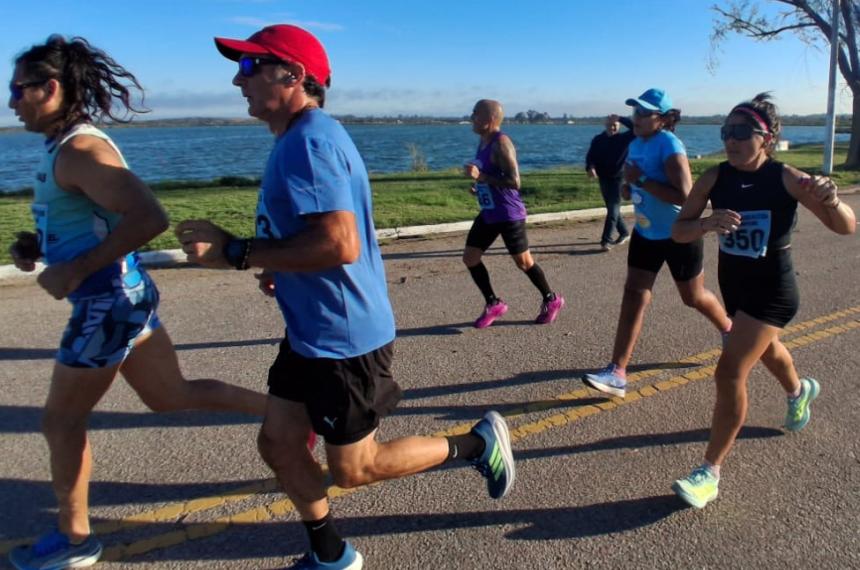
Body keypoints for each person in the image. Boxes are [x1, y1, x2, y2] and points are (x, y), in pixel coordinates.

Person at [175, 25, 515, 569]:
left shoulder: (309, 142)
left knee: (355, 468)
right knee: (279, 443)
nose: (238, 79)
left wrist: (239, 251)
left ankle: (476, 444)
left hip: (343, 337)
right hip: (312, 331)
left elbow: (339, 243)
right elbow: (314, 237)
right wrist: (278, 264)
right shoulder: (301, 138)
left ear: (294, 75)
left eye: (250, 66)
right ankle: (330, 554)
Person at [6, 35, 269, 570]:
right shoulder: (65, 148)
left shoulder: (81, 152)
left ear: (50, 88)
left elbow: (149, 216)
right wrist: (41, 246)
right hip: (123, 298)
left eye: (17, 90)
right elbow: (92, 218)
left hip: (105, 304)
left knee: (61, 422)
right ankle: (293, 414)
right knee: (172, 395)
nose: (11, 102)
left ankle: (75, 539)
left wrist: (76, 269)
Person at [670, 93, 855, 509]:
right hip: (736, 289)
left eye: (741, 132)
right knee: (767, 349)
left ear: (766, 138)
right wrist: (706, 224)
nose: (731, 140)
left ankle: (709, 473)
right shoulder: (715, 177)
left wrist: (832, 200)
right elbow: (679, 231)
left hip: (774, 292)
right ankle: (798, 391)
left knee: (730, 370)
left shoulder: (787, 178)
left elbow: (846, 227)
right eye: (726, 131)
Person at [582, 88, 732, 398]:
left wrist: (640, 181)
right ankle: (617, 372)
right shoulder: (636, 143)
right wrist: (629, 188)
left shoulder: (669, 145)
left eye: (643, 113)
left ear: (662, 119)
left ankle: (729, 330)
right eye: (634, 111)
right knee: (634, 294)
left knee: (693, 297)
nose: (635, 117)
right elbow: (637, 181)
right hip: (646, 233)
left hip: (679, 234)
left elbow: (686, 196)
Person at [462, 99, 565, 328]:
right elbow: (492, 174)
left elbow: (514, 182)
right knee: (470, 258)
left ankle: (552, 299)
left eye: (476, 114)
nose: (472, 118)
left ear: (489, 119)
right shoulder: (483, 141)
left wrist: (481, 177)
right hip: (489, 212)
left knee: (524, 263)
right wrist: (479, 186)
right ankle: (493, 303)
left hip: (509, 214)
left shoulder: (502, 143)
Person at [585, 114, 636, 250]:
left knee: (613, 208)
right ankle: (624, 232)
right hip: (603, 177)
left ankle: (606, 240)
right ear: (605, 125)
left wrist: (620, 118)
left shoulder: (624, 138)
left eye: (615, 125)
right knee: (612, 209)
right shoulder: (598, 139)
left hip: (619, 178)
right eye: (610, 125)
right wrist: (590, 167)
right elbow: (591, 156)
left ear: (618, 126)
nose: (612, 127)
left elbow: (635, 128)